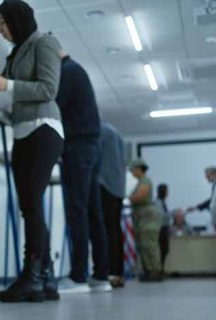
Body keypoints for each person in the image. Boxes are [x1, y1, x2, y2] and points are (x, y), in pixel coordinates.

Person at [0, 0, 64, 302]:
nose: (1, 29)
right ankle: (46, 277)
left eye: (3, 22)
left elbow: (48, 89)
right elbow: (12, 88)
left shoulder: (44, 42)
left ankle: (32, 277)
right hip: (23, 130)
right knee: (30, 205)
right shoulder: (16, 51)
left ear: (18, 20)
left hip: (43, 128)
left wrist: (8, 86)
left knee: (30, 202)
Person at [53, 45, 110, 293]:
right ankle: (101, 276)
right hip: (91, 147)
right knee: (93, 213)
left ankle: (78, 277)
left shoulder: (67, 72)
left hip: (77, 147)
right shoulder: (77, 70)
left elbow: (53, 106)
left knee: (77, 210)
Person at [98, 122, 126, 288]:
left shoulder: (100, 131)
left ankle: (107, 273)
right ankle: (117, 273)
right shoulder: (115, 132)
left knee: (106, 231)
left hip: (105, 185)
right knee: (114, 231)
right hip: (117, 188)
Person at [128, 158, 163, 282]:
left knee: (149, 244)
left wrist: (129, 199)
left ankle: (155, 271)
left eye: (133, 169)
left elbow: (140, 196)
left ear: (139, 169)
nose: (132, 172)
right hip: (142, 217)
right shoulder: (140, 182)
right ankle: (149, 270)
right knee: (143, 244)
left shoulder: (145, 181)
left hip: (148, 217)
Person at [187, 166, 216, 272]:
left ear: (214, 174)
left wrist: (215, 220)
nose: (206, 177)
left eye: (207, 175)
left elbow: (213, 203)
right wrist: (197, 207)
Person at [155, 184, 170, 274]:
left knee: (165, 249)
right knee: (161, 249)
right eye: (167, 191)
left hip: (165, 227)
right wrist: (173, 213)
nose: (168, 193)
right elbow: (162, 215)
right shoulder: (158, 202)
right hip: (160, 228)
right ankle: (159, 269)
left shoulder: (163, 202)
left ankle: (162, 268)